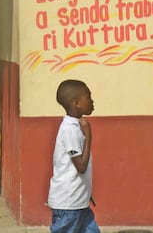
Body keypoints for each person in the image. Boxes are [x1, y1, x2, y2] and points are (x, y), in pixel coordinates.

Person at [47, 79, 100, 233]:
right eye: (88, 97)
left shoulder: (76, 126)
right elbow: (81, 166)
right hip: (68, 206)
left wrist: (86, 192)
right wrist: (89, 135)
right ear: (76, 103)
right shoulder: (69, 130)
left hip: (79, 203)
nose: (92, 101)